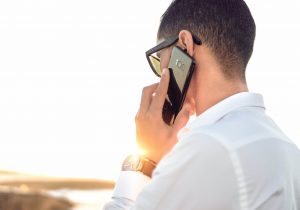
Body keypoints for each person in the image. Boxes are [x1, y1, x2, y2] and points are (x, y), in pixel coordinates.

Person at [104, 0, 300, 209]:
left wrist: (143, 163)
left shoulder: (208, 147)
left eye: (160, 57)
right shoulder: (288, 149)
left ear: (185, 45)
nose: (159, 70)